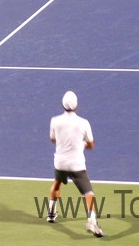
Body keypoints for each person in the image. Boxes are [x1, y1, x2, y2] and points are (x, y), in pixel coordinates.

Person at [47, 91, 103, 238]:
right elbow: (91, 145)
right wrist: (81, 145)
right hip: (76, 165)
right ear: (76, 105)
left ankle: (51, 214)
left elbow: (53, 139)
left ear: (62, 105)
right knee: (89, 194)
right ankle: (92, 222)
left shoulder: (54, 121)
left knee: (57, 183)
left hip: (60, 163)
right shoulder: (84, 123)